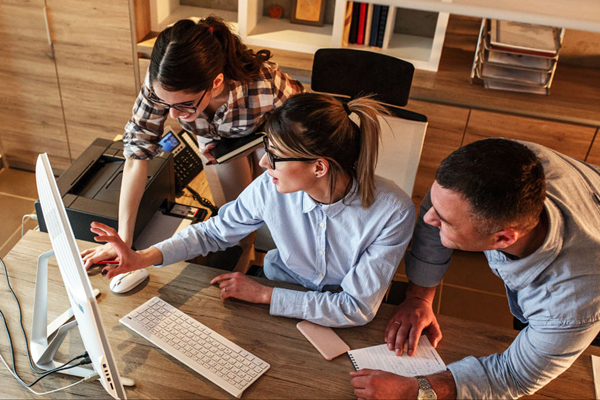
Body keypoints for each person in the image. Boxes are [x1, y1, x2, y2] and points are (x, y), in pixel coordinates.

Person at [85, 93, 415, 327]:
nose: (262, 162)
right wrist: (142, 256)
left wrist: (265, 295)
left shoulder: (392, 212)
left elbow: (355, 308)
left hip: (323, 309)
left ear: (319, 167)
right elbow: (213, 232)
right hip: (279, 290)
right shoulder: (269, 187)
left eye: (275, 155)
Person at [350, 138, 600, 399]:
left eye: (445, 221)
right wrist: (419, 297)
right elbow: (438, 208)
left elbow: (514, 375)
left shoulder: (571, 304)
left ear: (503, 239)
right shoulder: (511, 162)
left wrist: (417, 389)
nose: (426, 218)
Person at [81, 16, 304, 269]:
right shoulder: (162, 83)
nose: (173, 116)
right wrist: (123, 238)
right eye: (167, 105)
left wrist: (252, 144)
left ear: (216, 82)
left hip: (268, 138)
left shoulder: (263, 85)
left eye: (184, 105)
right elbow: (137, 153)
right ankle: (245, 254)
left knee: (275, 207)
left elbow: (302, 126)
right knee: (233, 216)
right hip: (215, 144)